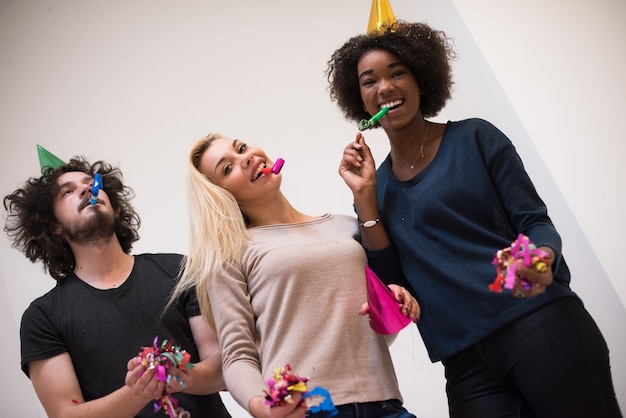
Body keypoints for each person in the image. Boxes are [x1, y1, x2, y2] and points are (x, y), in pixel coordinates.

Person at [326, 20, 623, 418]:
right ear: (360, 102)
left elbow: (534, 220)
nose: (385, 87)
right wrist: (363, 199)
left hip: (537, 322)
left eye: (398, 72)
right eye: (370, 81)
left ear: (421, 77)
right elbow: (394, 280)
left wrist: (543, 258)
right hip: (463, 360)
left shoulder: (475, 138)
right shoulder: (373, 187)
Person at [169, 133, 420, 418]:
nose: (247, 157)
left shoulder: (346, 227)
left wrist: (392, 305)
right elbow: (237, 355)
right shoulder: (231, 254)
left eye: (241, 148)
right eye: (227, 168)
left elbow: (373, 333)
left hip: (384, 404)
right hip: (307, 411)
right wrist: (259, 406)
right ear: (221, 195)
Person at [3, 156, 231, 418]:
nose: (87, 189)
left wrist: (179, 373)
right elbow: (65, 414)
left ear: (116, 207)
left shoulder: (180, 270)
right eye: (68, 191)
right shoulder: (42, 317)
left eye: (91, 183)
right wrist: (138, 392)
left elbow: (223, 369)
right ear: (53, 225)